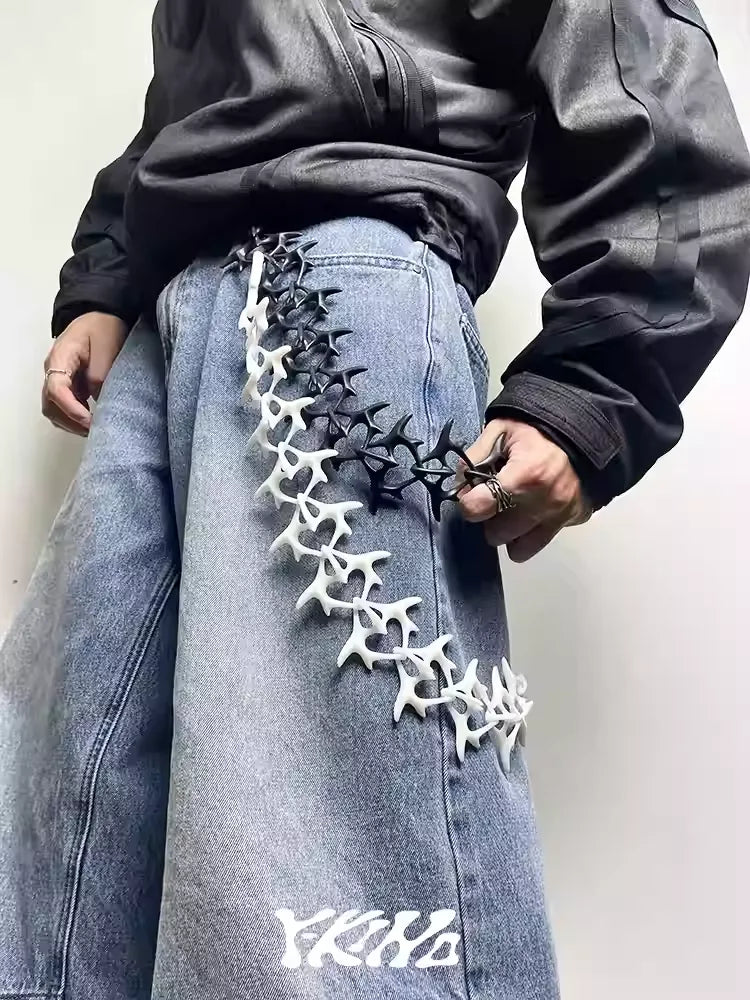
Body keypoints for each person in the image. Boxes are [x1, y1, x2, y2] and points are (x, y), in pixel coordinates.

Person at [1, 1, 749, 997]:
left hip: (346, 277)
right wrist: (108, 277)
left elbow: (622, 38)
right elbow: (198, 96)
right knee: (61, 833)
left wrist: (599, 379)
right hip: (163, 323)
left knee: (324, 878)